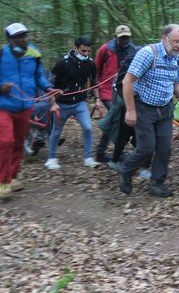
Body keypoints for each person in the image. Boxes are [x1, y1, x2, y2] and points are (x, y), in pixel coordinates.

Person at [117, 24, 179, 197]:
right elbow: (127, 82)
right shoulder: (148, 53)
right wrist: (130, 110)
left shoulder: (177, 58)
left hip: (165, 109)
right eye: (175, 41)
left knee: (165, 148)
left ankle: (157, 183)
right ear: (164, 38)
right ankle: (125, 170)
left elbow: (177, 84)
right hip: (144, 108)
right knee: (147, 147)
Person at [0, 23, 59, 199]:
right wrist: (1, 87)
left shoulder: (33, 52)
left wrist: (49, 88)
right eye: (19, 36)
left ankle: (13, 176)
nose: (24, 39)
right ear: (10, 39)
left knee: (18, 142)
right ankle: (3, 181)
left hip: (25, 107)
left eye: (25, 35)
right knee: (5, 141)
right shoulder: (2, 53)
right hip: (3, 106)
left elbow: (39, 76)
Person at [46, 36, 100, 170]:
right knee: (56, 131)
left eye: (89, 51)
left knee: (88, 128)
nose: (86, 54)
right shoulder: (62, 63)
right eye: (83, 51)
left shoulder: (91, 64)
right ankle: (51, 158)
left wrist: (98, 99)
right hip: (62, 103)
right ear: (75, 48)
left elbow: (95, 83)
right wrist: (53, 103)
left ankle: (88, 158)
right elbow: (50, 84)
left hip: (80, 103)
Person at [94, 25, 137, 163]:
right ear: (116, 37)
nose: (125, 40)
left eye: (127, 37)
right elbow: (96, 69)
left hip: (124, 90)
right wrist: (97, 92)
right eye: (122, 38)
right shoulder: (106, 50)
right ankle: (105, 152)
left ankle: (111, 152)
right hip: (107, 90)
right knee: (114, 119)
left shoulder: (133, 50)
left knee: (116, 121)